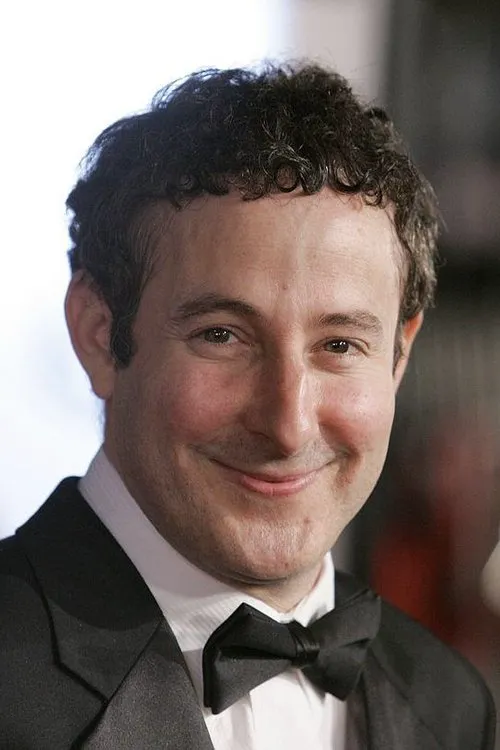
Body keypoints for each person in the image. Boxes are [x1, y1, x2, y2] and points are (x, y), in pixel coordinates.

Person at [0, 63, 495, 750]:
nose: (288, 424)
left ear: (398, 357)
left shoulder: (453, 706)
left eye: (340, 345)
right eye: (222, 336)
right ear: (98, 335)